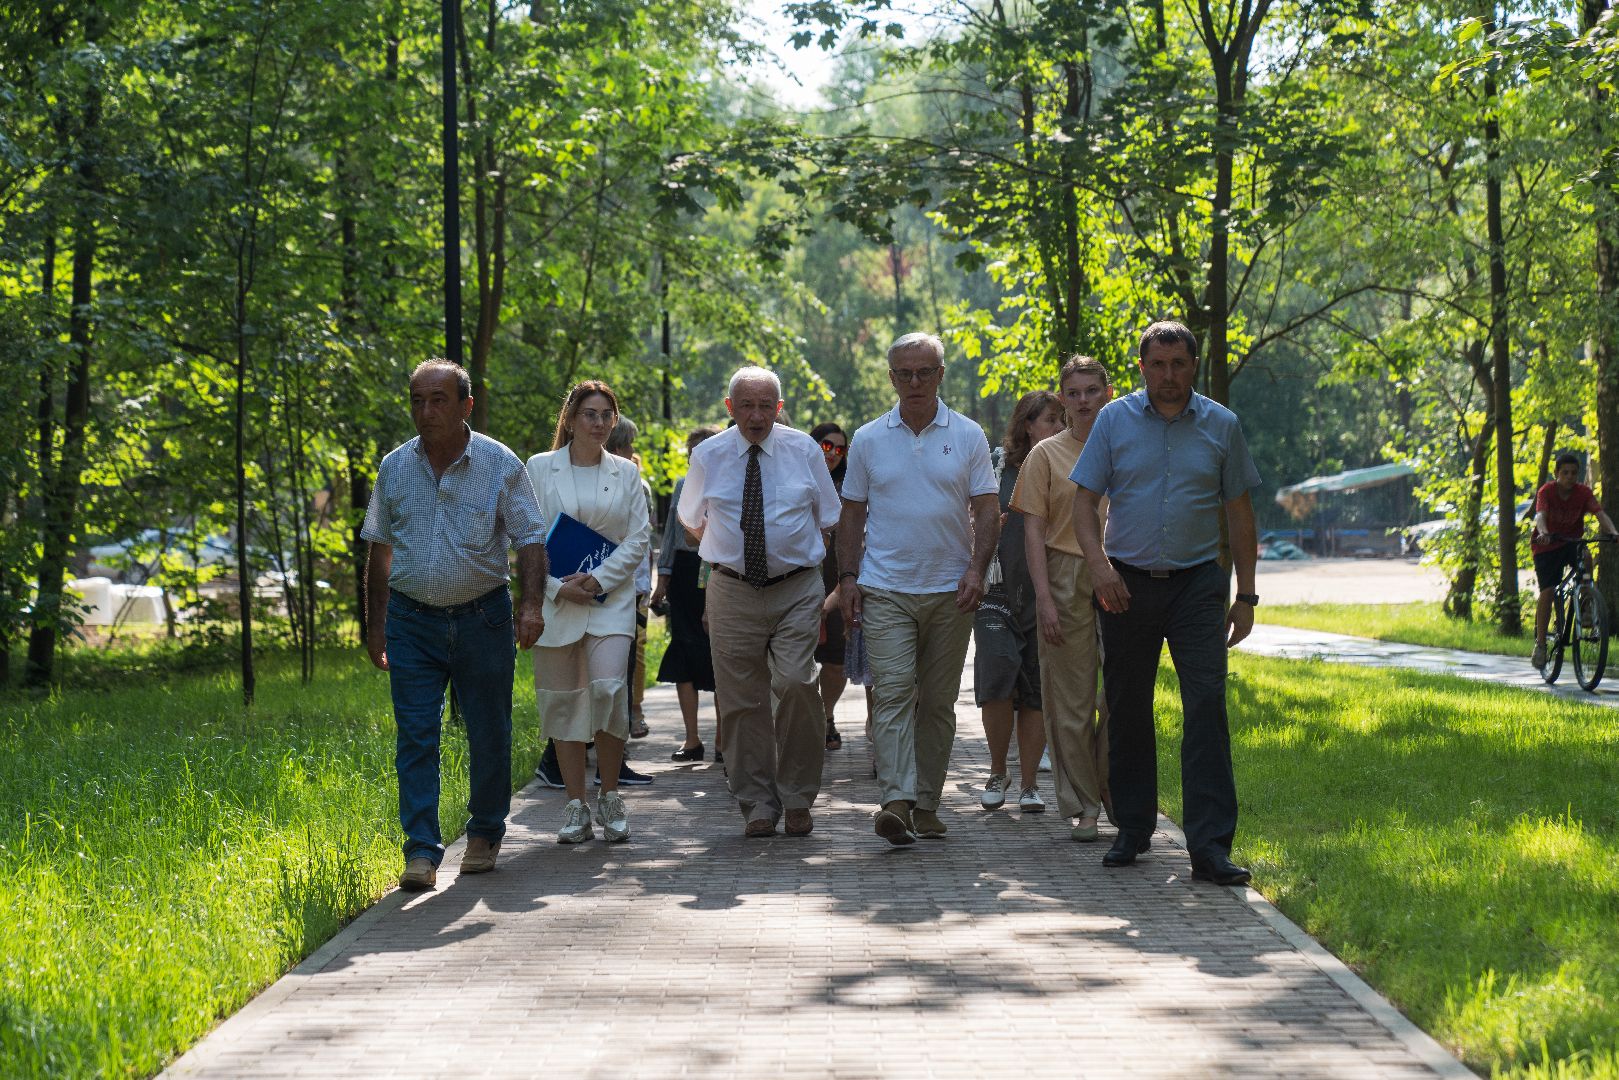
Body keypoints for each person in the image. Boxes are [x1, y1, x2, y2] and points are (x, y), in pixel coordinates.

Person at [1071, 321, 1260, 886]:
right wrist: (1100, 568)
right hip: (1125, 582)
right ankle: (1132, 828)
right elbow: (1084, 507)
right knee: (1128, 704)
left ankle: (1209, 846)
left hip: (1198, 584)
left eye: (1179, 364)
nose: (1169, 376)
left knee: (1206, 705)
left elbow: (1241, 516)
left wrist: (1245, 594)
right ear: (1141, 367)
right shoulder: (1113, 420)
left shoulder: (1222, 425)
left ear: (1194, 366)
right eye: (1158, 365)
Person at [362, 359, 549, 892]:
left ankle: (486, 831)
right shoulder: (395, 466)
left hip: (482, 619)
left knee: (489, 730)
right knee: (416, 735)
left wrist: (530, 606)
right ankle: (420, 850)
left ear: (466, 406)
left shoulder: (499, 463)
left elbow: (530, 537)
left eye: (438, 400)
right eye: (418, 400)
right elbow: (379, 549)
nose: (426, 411)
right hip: (411, 621)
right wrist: (375, 627)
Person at [838, 332, 999, 845]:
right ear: (891, 378)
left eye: (924, 371)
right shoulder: (868, 439)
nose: (914, 381)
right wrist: (848, 580)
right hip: (886, 586)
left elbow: (988, 510)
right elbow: (852, 514)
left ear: (940, 375)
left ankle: (927, 802)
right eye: (904, 373)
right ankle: (895, 800)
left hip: (953, 591)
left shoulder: (969, 435)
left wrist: (977, 569)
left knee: (936, 703)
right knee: (891, 693)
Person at [679, 367, 840, 836]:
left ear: (779, 407)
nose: (756, 415)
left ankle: (798, 796)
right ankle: (757, 803)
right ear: (730, 408)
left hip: (796, 586)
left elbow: (827, 515)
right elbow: (692, 520)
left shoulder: (804, 450)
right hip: (731, 588)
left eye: (765, 405)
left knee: (794, 682)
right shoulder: (708, 456)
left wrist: (788, 552)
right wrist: (730, 552)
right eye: (746, 406)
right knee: (741, 698)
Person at [525, 381, 652, 843]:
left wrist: (598, 580)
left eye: (606, 416)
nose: (598, 423)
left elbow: (639, 537)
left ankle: (611, 794)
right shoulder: (540, 468)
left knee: (607, 690)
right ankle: (575, 805)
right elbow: (524, 534)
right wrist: (557, 587)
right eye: (589, 414)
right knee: (564, 700)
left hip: (609, 601)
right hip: (556, 601)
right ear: (571, 418)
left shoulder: (626, 474)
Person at [1012, 357, 1113, 841]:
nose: (1083, 401)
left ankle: (1117, 795)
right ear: (1062, 397)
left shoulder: (1127, 446)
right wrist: (1045, 600)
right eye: (1073, 393)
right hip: (1064, 573)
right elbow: (1033, 533)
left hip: (1122, 575)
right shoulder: (1045, 456)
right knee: (1070, 702)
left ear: (1108, 392)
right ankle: (1085, 805)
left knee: (1118, 697)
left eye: (1092, 391)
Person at [975, 390, 1062, 817]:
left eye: (1062, 421)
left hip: (1048, 594)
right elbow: (966, 515)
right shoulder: (996, 466)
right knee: (997, 674)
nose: (1059, 428)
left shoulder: (1070, 466)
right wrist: (985, 525)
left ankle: (1029, 785)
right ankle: (996, 771)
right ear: (1028, 424)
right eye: (1051, 420)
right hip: (995, 593)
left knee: (1035, 690)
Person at [652, 426, 722, 761]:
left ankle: (725, 738)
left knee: (720, 653)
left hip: (718, 570)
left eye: (704, 448)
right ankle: (692, 738)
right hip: (682, 572)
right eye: (692, 449)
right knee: (682, 650)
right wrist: (662, 577)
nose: (698, 455)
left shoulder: (728, 482)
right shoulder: (683, 485)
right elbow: (669, 535)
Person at [1531, 452, 1619, 669]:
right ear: (1556, 474)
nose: (1570, 477)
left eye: (1573, 473)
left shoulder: (1583, 493)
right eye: (1565, 473)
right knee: (1548, 591)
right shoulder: (1547, 491)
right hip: (1547, 544)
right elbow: (1540, 515)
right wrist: (1543, 533)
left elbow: (1600, 514)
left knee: (1586, 558)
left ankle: (1585, 602)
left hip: (1571, 542)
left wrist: (1614, 532)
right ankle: (1541, 644)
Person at [607, 415, 655, 740]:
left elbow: (642, 535)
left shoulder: (638, 483)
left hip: (634, 583)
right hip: (597, 580)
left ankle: (633, 711)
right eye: (627, 444)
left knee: (634, 649)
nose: (631, 450)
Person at [809, 421, 855, 751]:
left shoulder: (850, 487)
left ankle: (827, 716)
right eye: (826, 446)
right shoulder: (800, 478)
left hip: (839, 582)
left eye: (840, 449)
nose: (833, 454)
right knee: (799, 659)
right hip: (800, 581)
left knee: (836, 660)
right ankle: (807, 719)